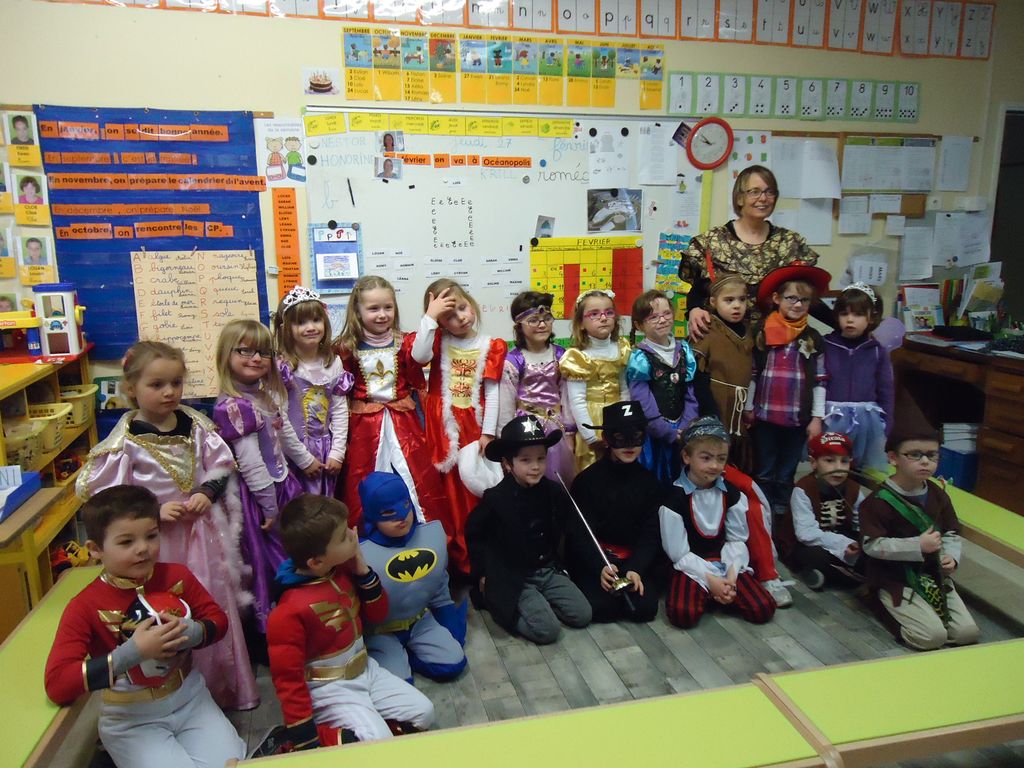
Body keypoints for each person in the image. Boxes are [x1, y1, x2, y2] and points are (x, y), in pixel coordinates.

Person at [77, 341, 258, 710]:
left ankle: (222, 689)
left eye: (176, 383)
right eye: (157, 385)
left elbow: (221, 465)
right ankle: (176, 691)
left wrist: (207, 492)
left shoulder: (196, 425)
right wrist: (154, 512)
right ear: (132, 388)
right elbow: (108, 497)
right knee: (169, 604)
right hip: (158, 541)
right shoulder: (126, 442)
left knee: (210, 600)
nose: (169, 392)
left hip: (203, 535)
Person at [44, 486, 246, 768]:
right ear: (95, 549)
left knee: (232, 762)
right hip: (131, 718)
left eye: (151, 536)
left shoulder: (176, 575)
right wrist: (133, 653)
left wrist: (193, 632)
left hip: (191, 699)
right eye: (126, 542)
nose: (143, 549)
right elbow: (57, 683)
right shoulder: (84, 605)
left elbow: (218, 621)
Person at [268, 494, 434, 749]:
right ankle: (308, 738)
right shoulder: (287, 612)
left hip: (367, 670)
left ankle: (362, 733)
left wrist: (363, 571)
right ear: (316, 561)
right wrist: (305, 737)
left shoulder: (341, 570)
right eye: (344, 537)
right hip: (330, 690)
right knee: (380, 745)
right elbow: (288, 681)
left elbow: (378, 615)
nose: (354, 535)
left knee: (424, 712)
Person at [213, 319, 319, 633]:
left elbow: (285, 436)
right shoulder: (233, 406)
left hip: (284, 485)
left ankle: (304, 610)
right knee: (272, 557)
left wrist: (306, 460)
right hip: (260, 497)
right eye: (244, 351)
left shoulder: (263, 395)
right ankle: (278, 622)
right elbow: (251, 463)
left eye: (263, 352)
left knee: (295, 547)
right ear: (226, 355)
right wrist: (270, 507)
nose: (256, 358)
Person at [858, 405, 981, 651]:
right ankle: (879, 602)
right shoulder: (878, 501)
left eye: (932, 455)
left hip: (932, 574)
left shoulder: (938, 494)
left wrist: (951, 557)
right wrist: (917, 546)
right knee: (931, 638)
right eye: (914, 454)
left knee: (967, 633)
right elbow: (871, 545)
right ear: (893, 458)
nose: (925, 461)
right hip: (895, 579)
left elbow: (951, 532)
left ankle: (925, 613)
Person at [467, 415, 592, 644]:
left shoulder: (554, 492)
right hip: (515, 575)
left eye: (541, 459)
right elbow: (475, 534)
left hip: (546, 569)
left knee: (582, 614)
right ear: (508, 463)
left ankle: (540, 603)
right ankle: (504, 603)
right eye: (525, 460)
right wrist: (482, 573)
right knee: (547, 631)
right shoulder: (495, 498)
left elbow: (574, 529)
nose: (535, 467)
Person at [411, 278, 507, 576]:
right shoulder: (436, 340)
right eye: (449, 316)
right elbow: (418, 357)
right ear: (441, 323)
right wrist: (429, 317)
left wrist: (487, 433)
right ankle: (455, 560)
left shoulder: (492, 346)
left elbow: (492, 393)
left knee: (475, 488)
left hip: (474, 428)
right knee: (448, 492)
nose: (461, 318)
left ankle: (481, 557)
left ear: (471, 302)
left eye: (463, 308)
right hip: (441, 428)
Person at [334, 276, 444, 527]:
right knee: (365, 479)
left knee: (416, 477)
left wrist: (430, 318)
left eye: (388, 307)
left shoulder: (404, 342)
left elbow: (422, 356)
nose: (382, 314)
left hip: (404, 423)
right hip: (364, 428)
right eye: (373, 308)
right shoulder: (347, 347)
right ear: (358, 311)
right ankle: (367, 537)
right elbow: (340, 390)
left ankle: (425, 532)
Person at [680, 165, 824, 341]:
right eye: (754, 192)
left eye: (769, 192)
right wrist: (694, 309)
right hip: (725, 341)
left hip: (776, 342)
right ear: (740, 198)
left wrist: (843, 321)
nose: (763, 198)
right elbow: (699, 288)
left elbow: (804, 294)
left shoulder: (789, 243)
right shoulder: (713, 241)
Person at [659, 417, 777, 629]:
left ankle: (719, 593)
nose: (714, 466)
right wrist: (710, 579)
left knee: (763, 608)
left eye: (721, 459)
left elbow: (736, 539)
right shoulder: (674, 500)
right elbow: (679, 554)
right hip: (692, 565)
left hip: (725, 561)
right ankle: (713, 593)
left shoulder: (732, 494)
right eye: (706, 458)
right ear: (687, 457)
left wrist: (731, 574)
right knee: (682, 614)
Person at [358, 472, 467, 683]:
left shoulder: (431, 536)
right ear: (372, 515)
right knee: (399, 684)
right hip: (379, 631)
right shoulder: (361, 555)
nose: (401, 517)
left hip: (420, 620)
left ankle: (410, 656)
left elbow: (439, 586)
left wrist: (449, 621)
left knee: (453, 663)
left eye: (405, 505)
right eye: (388, 512)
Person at [744, 263, 831, 523]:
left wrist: (816, 418)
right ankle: (762, 511)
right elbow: (753, 373)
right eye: (791, 298)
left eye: (804, 300)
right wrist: (748, 408)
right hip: (765, 417)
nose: (797, 304)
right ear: (776, 299)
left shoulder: (813, 338)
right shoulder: (762, 332)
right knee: (765, 468)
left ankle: (782, 512)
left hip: (797, 419)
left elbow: (820, 381)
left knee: (786, 471)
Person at [567, 401, 664, 623]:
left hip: (632, 560)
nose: (629, 445)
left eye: (636, 436)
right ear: (606, 438)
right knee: (602, 609)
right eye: (620, 437)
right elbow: (579, 533)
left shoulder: (650, 483)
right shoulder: (586, 481)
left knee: (644, 609)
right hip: (599, 560)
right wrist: (599, 566)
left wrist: (636, 568)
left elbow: (651, 534)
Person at [627, 289, 714, 483]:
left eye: (666, 313)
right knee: (656, 479)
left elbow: (690, 393)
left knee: (681, 477)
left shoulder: (684, 350)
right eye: (653, 317)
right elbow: (642, 401)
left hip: (684, 429)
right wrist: (666, 431)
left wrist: (686, 426)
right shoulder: (640, 357)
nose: (662, 320)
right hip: (655, 432)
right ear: (639, 325)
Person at [273, 285, 353, 497]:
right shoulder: (283, 367)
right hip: (293, 452)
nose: (311, 327)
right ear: (286, 328)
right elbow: (280, 420)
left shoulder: (333, 363)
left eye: (316, 320)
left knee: (325, 504)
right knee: (299, 506)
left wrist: (337, 452)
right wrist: (304, 459)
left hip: (326, 451)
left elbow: (339, 410)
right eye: (301, 322)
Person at [497, 290, 576, 483]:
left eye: (547, 318)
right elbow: (506, 404)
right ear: (519, 326)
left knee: (558, 479)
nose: (542, 325)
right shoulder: (514, 361)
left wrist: (570, 433)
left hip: (557, 428)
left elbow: (567, 397)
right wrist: (506, 440)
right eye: (533, 320)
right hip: (526, 428)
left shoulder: (562, 356)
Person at [823, 283, 894, 471]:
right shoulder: (826, 345)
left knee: (861, 469)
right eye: (844, 314)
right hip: (832, 418)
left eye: (858, 314)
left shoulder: (877, 351)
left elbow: (886, 391)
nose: (850, 320)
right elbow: (817, 383)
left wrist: (887, 425)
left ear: (871, 317)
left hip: (867, 422)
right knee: (830, 465)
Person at [691, 272, 756, 474]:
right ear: (713, 302)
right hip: (716, 403)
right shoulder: (707, 329)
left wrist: (749, 406)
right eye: (729, 300)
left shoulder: (749, 332)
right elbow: (697, 375)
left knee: (739, 461)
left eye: (741, 300)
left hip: (739, 408)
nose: (737, 306)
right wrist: (710, 411)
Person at [559, 289, 631, 472]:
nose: (603, 318)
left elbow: (624, 389)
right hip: (592, 420)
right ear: (581, 323)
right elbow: (577, 401)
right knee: (594, 469)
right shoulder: (578, 357)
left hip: (617, 417)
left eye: (609, 312)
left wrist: (626, 422)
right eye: (594, 314)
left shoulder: (621, 349)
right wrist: (590, 437)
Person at [789, 432, 869, 590]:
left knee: (869, 554)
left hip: (844, 538)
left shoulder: (854, 489)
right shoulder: (803, 489)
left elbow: (862, 522)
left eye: (844, 461)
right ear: (814, 463)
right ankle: (852, 578)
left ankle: (840, 575)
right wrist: (842, 543)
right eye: (829, 461)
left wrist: (859, 543)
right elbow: (805, 533)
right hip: (812, 542)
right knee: (813, 556)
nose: (838, 468)